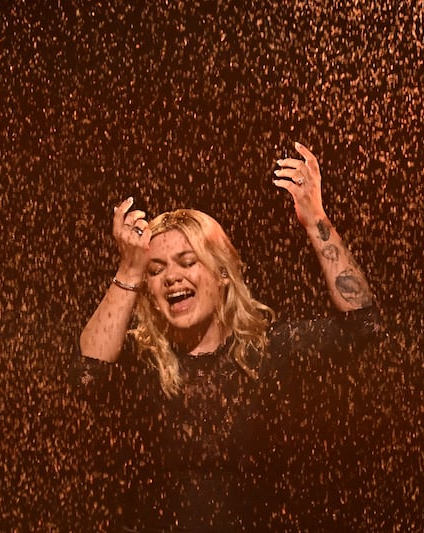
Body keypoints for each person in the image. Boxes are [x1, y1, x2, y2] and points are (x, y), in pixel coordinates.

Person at [73, 142, 381, 531]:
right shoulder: (141, 366)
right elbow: (86, 376)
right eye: (157, 270)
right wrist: (130, 268)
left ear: (222, 273)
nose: (172, 277)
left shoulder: (270, 353)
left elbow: (363, 328)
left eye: (188, 262)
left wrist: (316, 220)